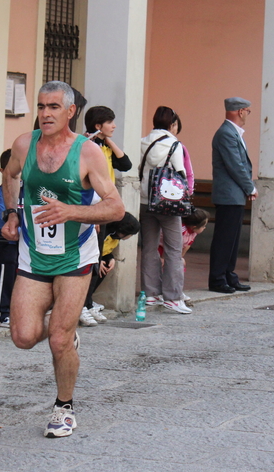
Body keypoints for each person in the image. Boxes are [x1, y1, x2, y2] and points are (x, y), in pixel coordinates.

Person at [1, 81, 124, 438]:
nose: (45, 114)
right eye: (41, 107)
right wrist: (11, 213)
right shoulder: (25, 144)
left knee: (57, 339)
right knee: (23, 337)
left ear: (70, 111)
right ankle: (66, 334)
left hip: (75, 255)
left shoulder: (88, 153)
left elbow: (115, 207)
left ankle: (64, 408)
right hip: (34, 253)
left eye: (53, 107)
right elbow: (9, 175)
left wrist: (70, 211)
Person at [79, 105, 133, 325]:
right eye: (110, 122)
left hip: (105, 208)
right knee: (89, 260)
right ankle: (81, 305)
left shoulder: (104, 146)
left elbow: (126, 164)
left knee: (98, 258)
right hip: (92, 209)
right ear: (98, 125)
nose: (115, 126)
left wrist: (107, 139)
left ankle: (88, 302)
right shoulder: (87, 147)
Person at [139, 106, 193, 314]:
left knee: (149, 248)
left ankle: (151, 293)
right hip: (168, 203)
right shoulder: (174, 144)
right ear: (172, 124)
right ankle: (173, 297)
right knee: (173, 249)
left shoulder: (143, 142)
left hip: (145, 200)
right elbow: (180, 172)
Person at [209, 97, 256, 294]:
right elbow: (235, 165)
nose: (248, 115)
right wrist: (250, 187)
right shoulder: (226, 133)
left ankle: (229, 275)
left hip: (234, 195)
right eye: (248, 111)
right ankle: (218, 279)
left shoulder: (232, 133)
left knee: (233, 239)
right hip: (229, 194)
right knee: (224, 238)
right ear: (240, 111)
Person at [82, 212, 140, 325]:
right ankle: (83, 305)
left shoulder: (115, 237)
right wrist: (98, 260)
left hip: (98, 257)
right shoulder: (104, 232)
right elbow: (95, 246)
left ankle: (88, 301)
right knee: (94, 270)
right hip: (88, 258)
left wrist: (110, 258)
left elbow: (106, 249)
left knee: (106, 266)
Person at [0, 149, 18, 328]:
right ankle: (2, 313)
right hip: (5, 242)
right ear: (2, 171)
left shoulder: (26, 192)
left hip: (23, 243)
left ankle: (17, 312)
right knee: (5, 277)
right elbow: (4, 222)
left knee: (20, 278)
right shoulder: (0, 194)